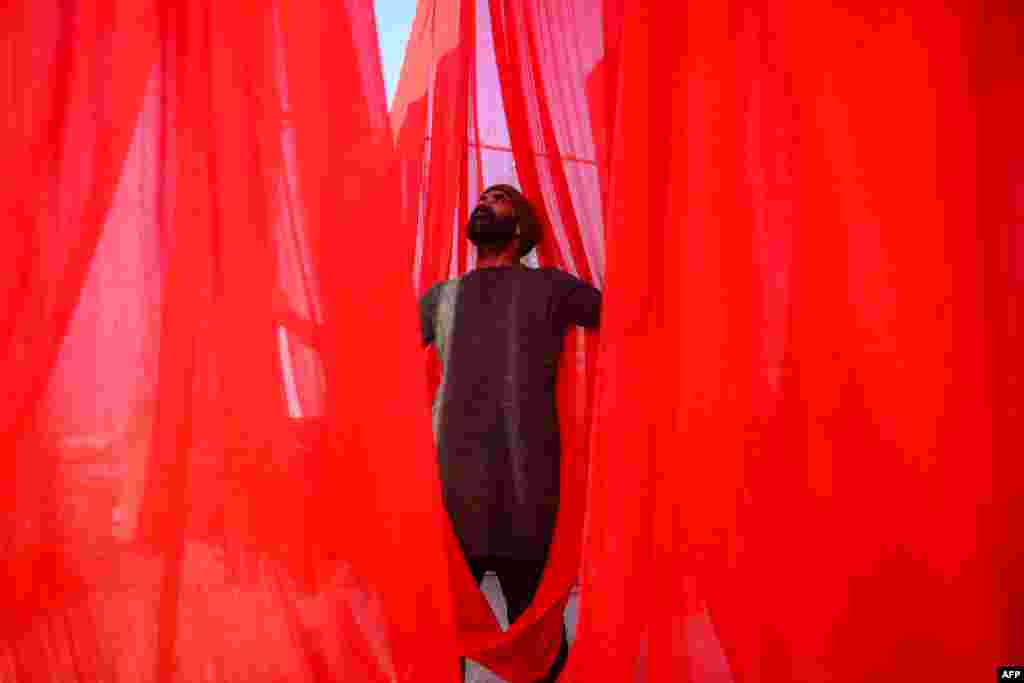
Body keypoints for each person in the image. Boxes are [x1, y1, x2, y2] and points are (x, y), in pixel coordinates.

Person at [419, 185, 601, 682]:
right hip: (452, 493)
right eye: (480, 197)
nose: (483, 202)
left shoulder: (553, 288)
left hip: (528, 494)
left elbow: (625, 317)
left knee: (540, 643)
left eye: (497, 198)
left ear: (518, 227)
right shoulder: (442, 296)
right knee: (438, 637)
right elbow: (383, 351)